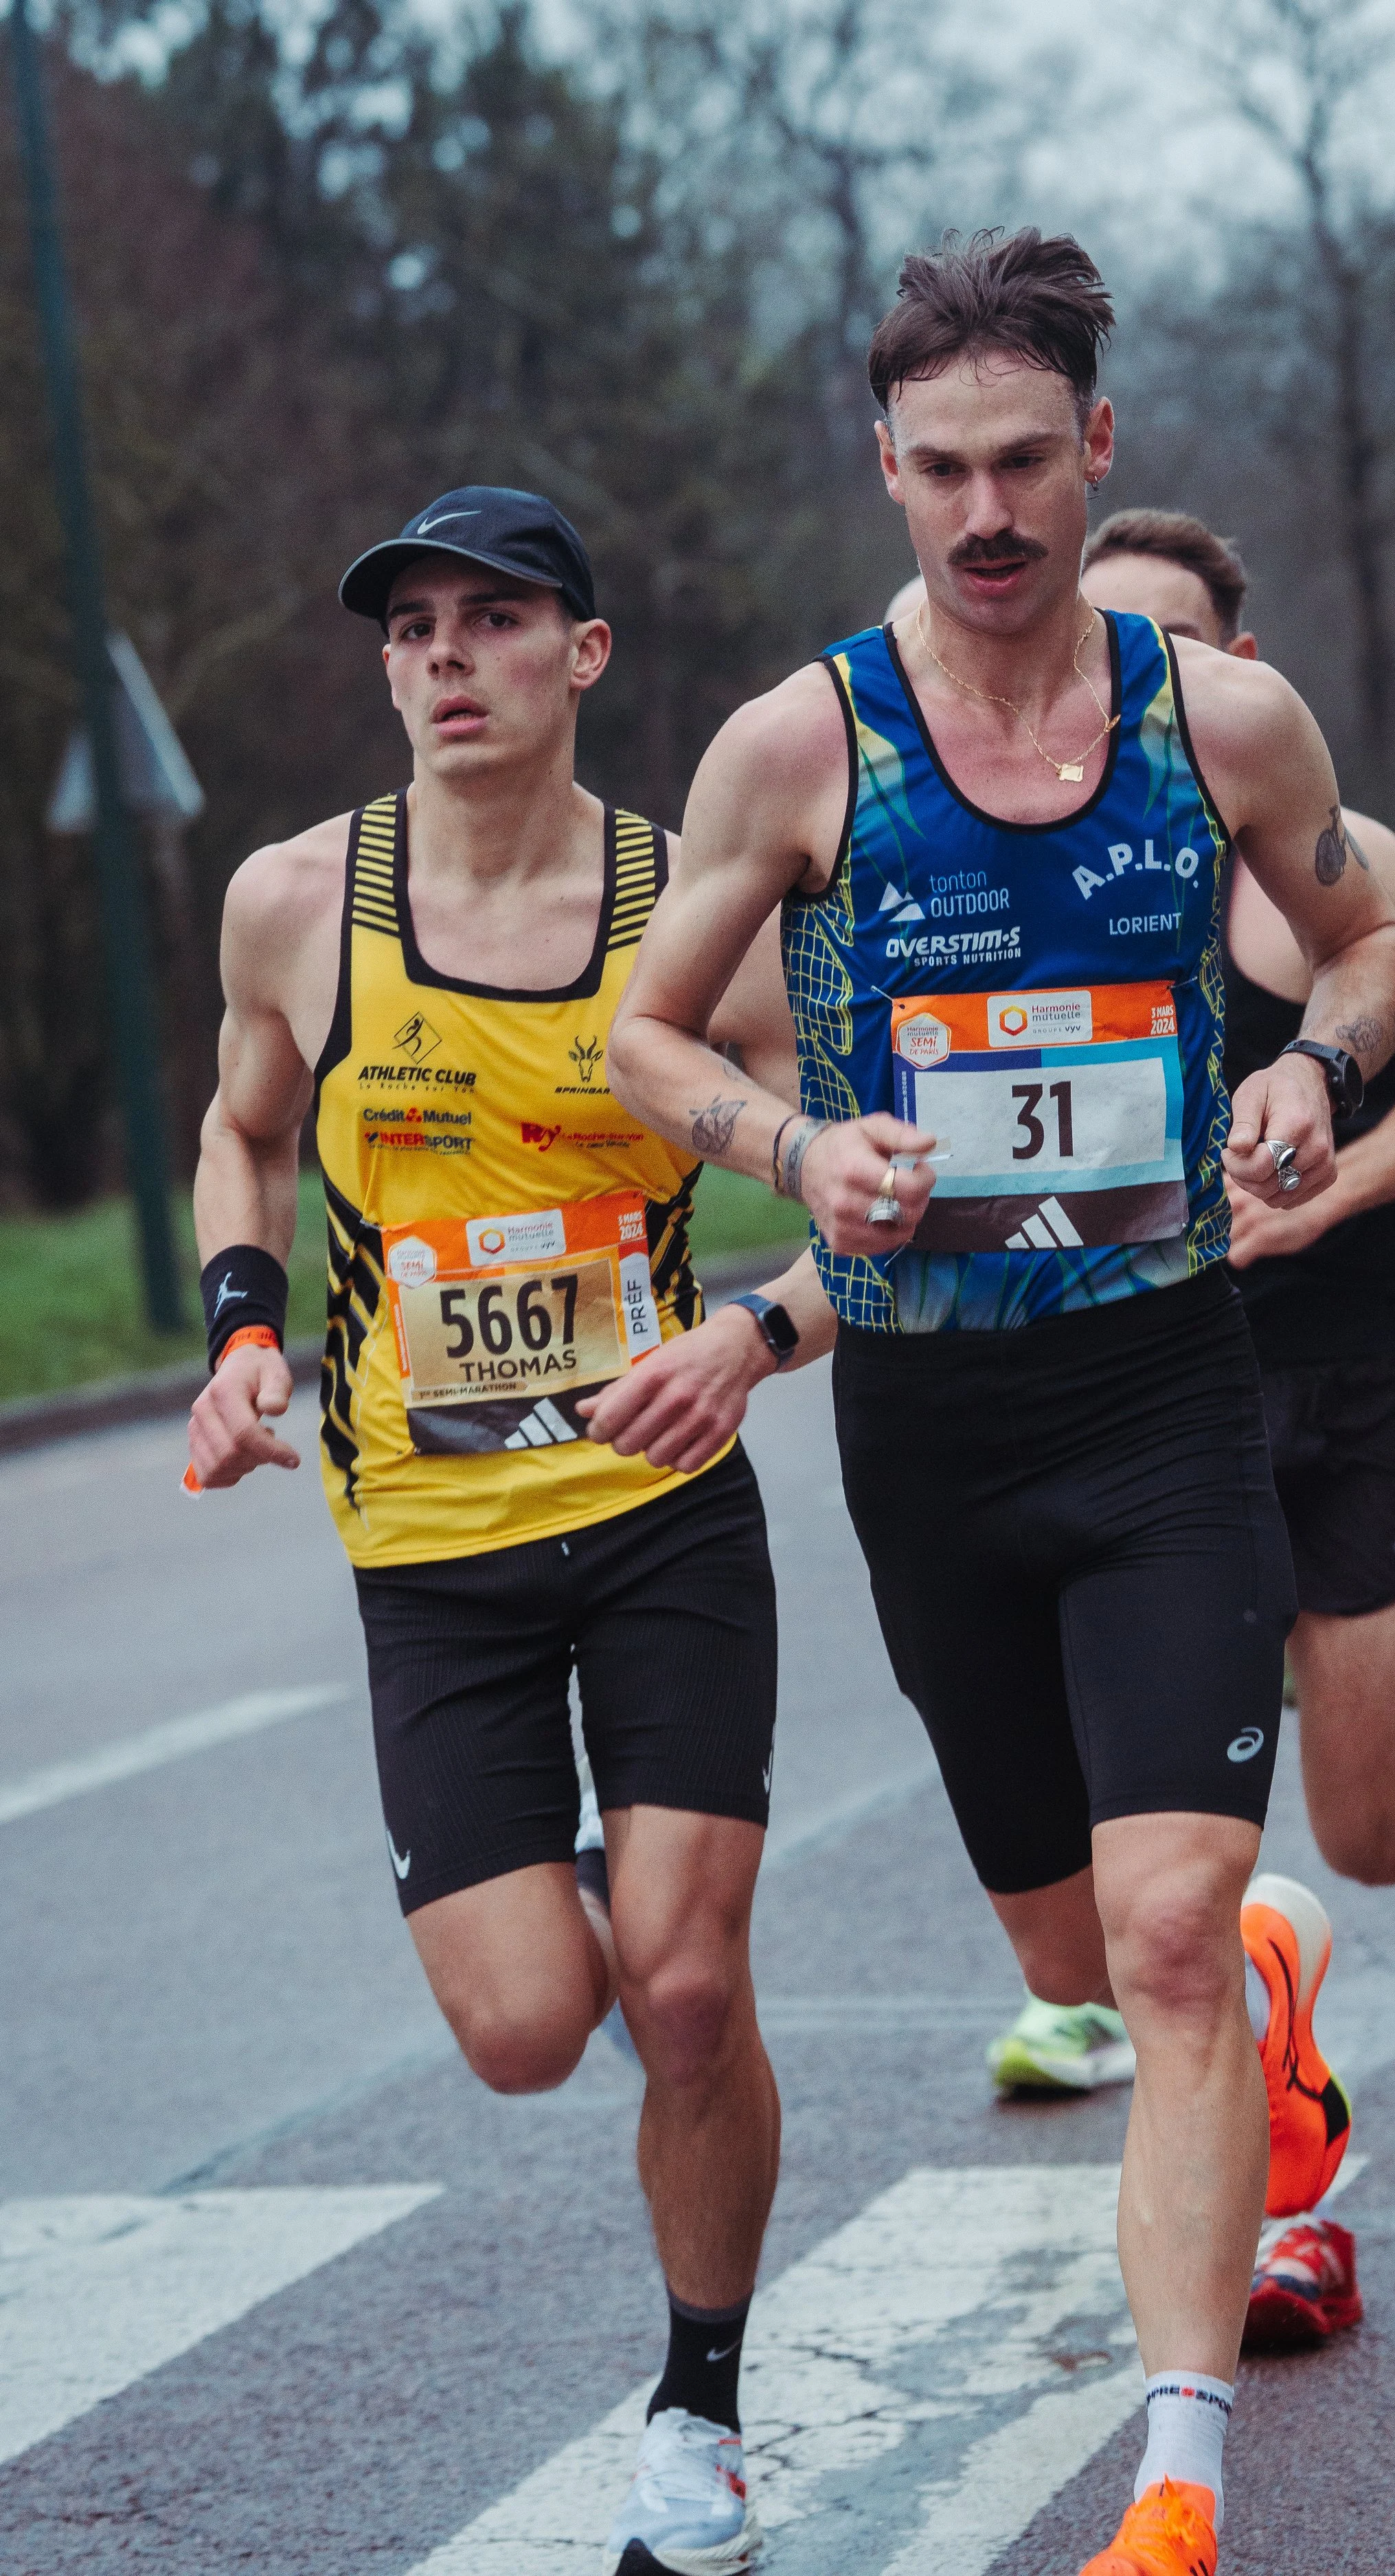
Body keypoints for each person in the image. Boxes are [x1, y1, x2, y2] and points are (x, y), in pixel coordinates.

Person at [606, 229, 1395, 2576]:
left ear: (1100, 454)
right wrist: (795, 1149)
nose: (985, 510)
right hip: (938, 1430)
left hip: (1167, 1386)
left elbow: (1357, 941)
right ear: (885, 468)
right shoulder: (803, 743)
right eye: (940, 467)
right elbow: (647, 1037)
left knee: (1154, 1950)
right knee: (1078, 1956)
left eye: (1026, 463)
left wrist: (1310, 1084)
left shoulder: (1219, 723)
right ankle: (1268, 1970)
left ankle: (1177, 2477)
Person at [184, 486, 828, 2576]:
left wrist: (750, 1329)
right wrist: (240, 1326)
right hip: (432, 1551)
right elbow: (245, 1125)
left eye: (494, 618)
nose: (446, 656)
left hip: (658, 1515)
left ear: (584, 653)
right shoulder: (296, 900)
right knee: (531, 2023)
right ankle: (591, 1892)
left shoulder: (685, 906)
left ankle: (699, 2417)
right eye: (413, 628)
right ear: (385, 668)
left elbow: (855, 1176)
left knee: (693, 1986)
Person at [993, 506, 1395, 2345]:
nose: (1141, 685)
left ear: (1238, 670)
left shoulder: (1321, 861)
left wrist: (1331, 1187)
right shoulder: (1009, 880)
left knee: (1377, 1832)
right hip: (1144, 1393)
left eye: (1179, 650)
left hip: (1355, 1360)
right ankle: (1282, 2173)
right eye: (1109, 649)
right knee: (1159, 1888)